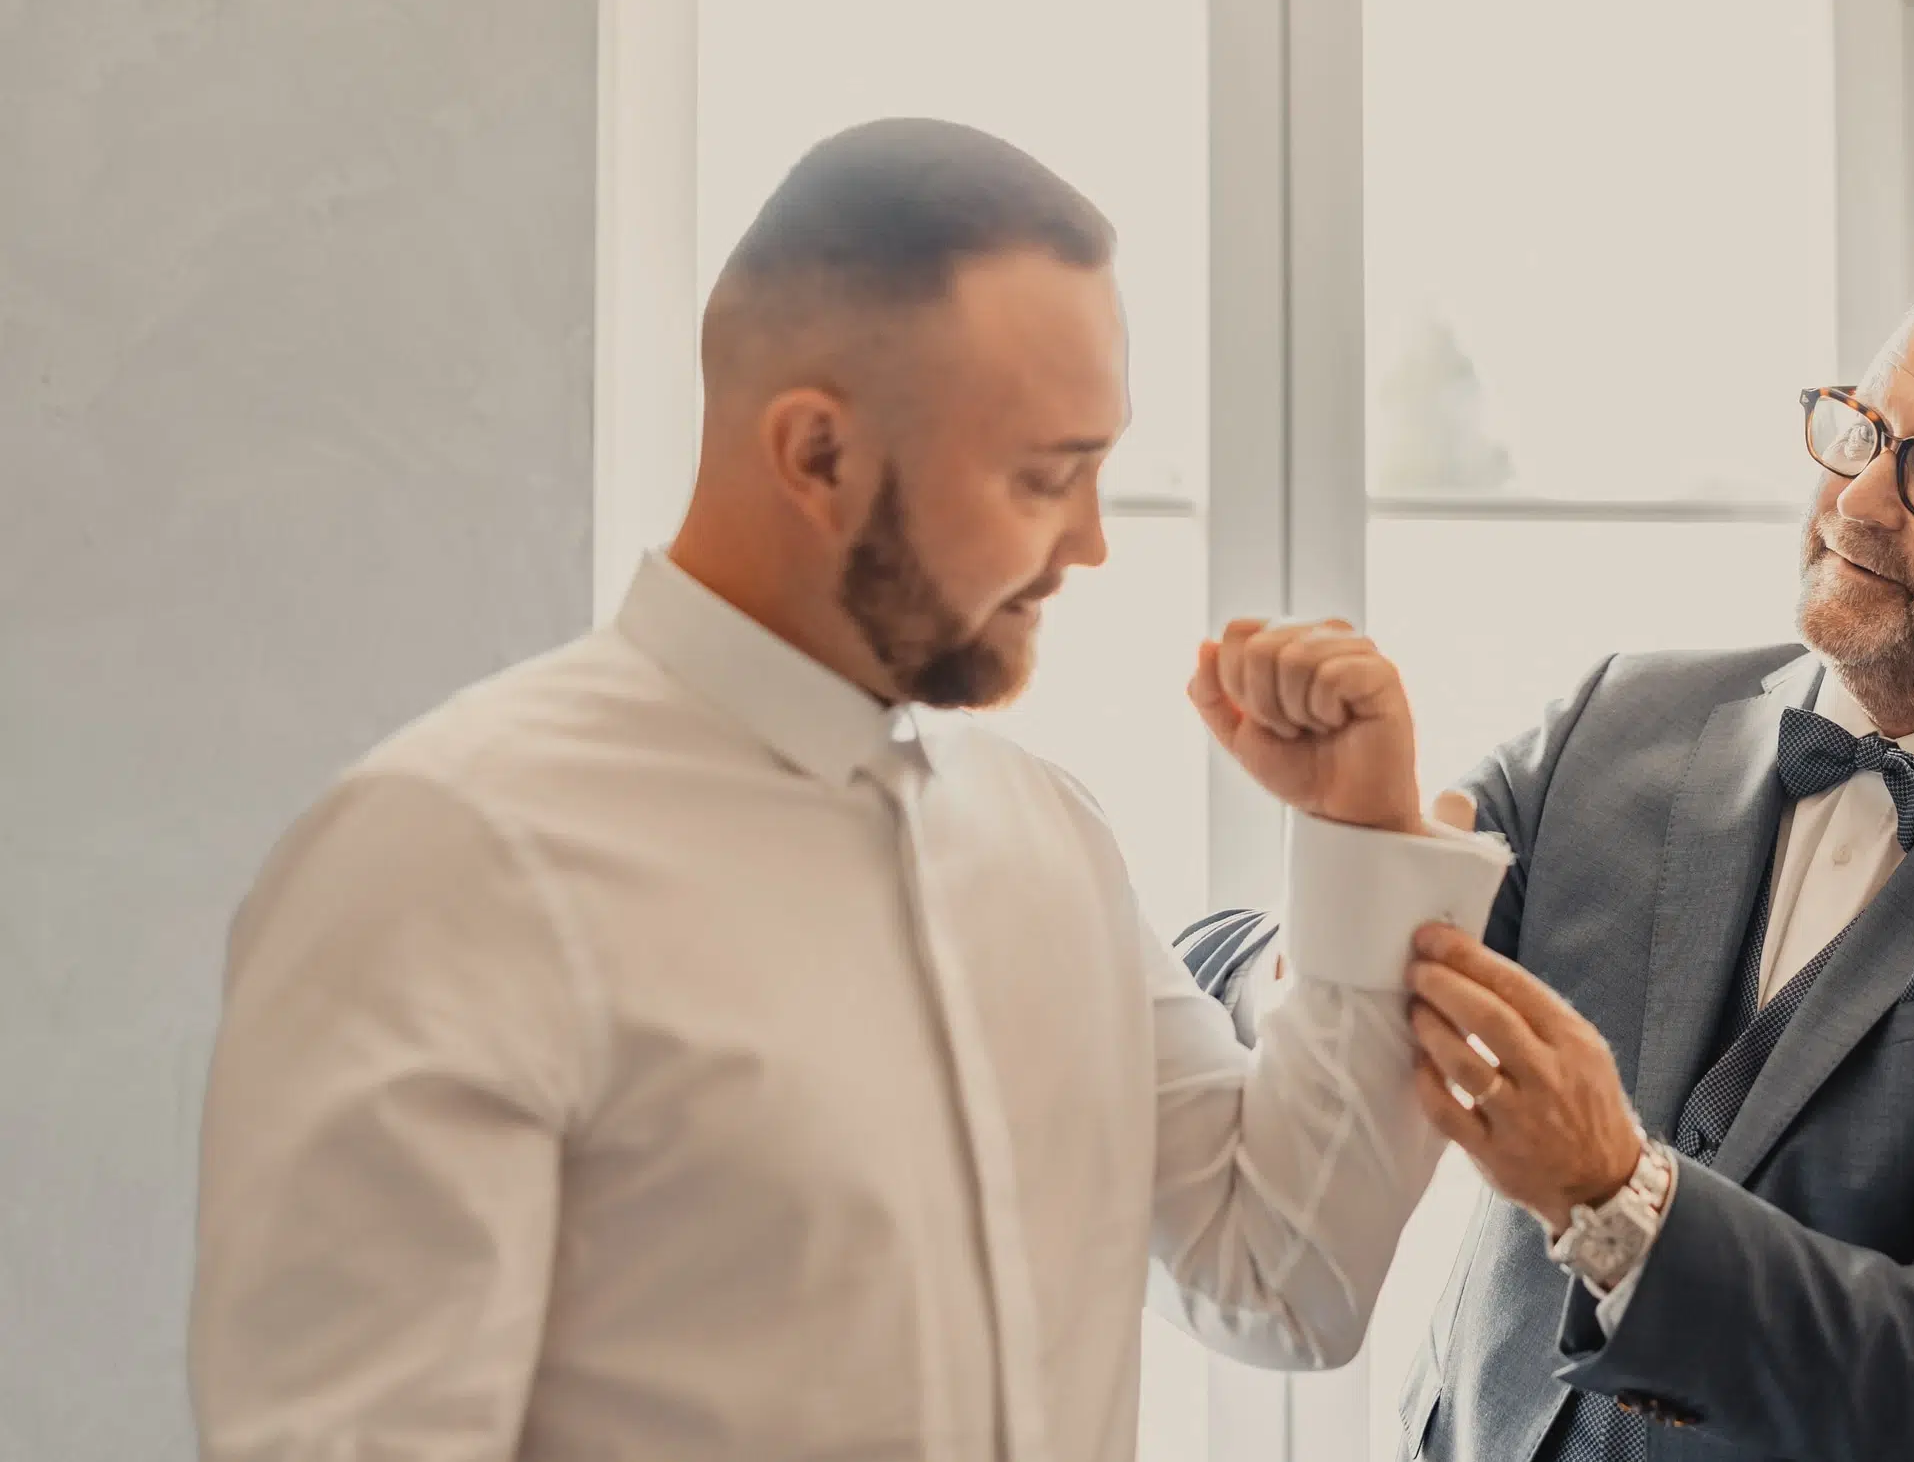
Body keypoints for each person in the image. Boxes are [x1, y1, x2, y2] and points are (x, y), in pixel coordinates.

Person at [190, 118, 1510, 1462]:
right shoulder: (447, 858)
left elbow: (1286, 1278)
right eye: (1045, 476)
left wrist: (1357, 837)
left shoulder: (1047, 837)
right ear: (816, 454)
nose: (1091, 544)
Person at [1180, 241, 1914, 1462]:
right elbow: (1263, 991)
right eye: (1862, 428)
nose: (1859, 501)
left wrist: (1615, 1195)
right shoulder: (1613, 718)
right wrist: (1358, 841)